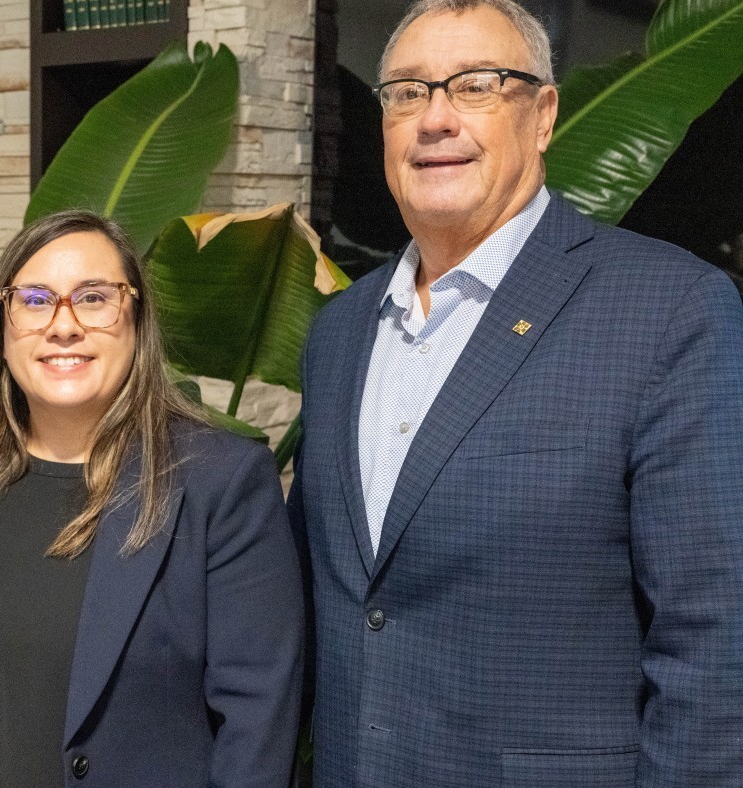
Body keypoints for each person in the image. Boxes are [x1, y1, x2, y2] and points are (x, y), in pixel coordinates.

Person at [289, 0, 743, 785]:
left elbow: (717, 640)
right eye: (406, 92)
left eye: (476, 86)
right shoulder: (338, 333)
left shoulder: (669, 311)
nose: (435, 119)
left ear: (542, 115)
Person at [0, 210, 304, 787]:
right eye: (35, 299)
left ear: (136, 316)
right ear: (1, 324)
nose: (63, 326)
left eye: (93, 298)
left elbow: (257, 732)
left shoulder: (220, 484)